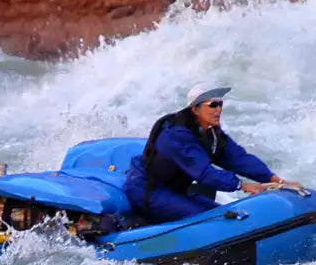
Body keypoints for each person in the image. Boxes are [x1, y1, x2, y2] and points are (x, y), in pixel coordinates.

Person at [122, 83, 303, 223]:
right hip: (147, 189)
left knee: (221, 213)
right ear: (195, 109)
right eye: (213, 105)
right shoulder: (175, 135)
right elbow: (204, 173)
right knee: (207, 219)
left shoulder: (211, 133)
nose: (218, 109)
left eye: (220, 104)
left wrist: (275, 179)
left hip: (176, 191)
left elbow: (238, 159)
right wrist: (242, 185)